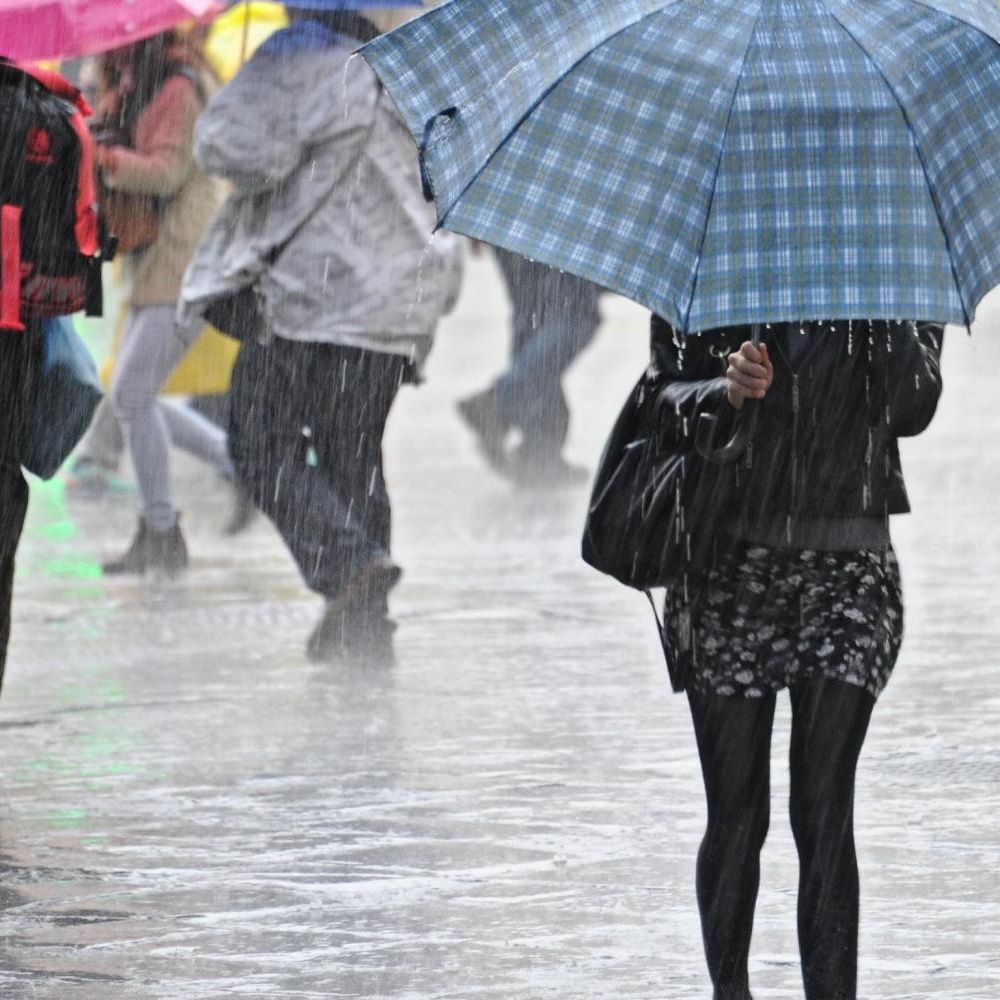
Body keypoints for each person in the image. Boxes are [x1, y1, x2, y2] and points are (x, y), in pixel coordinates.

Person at [651, 316, 943, 1000]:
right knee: (735, 811)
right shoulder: (720, 247)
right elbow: (659, 395)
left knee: (824, 808)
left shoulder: (892, 254)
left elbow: (914, 406)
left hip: (850, 568)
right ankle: (731, 994)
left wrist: (886, 314)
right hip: (728, 563)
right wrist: (721, 390)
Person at [179, 3, 461, 662]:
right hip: (397, 304)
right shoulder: (416, 70)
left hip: (315, 298)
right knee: (354, 457)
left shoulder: (300, 52)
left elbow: (229, 150)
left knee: (258, 442)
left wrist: (249, 90)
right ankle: (367, 627)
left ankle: (350, 568)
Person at [88, 31, 232, 574]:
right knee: (135, 394)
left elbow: (167, 171)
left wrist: (102, 157)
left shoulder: (176, 88)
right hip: (154, 260)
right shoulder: (136, 84)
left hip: (182, 260)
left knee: (131, 393)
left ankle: (162, 529)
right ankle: (237, 463)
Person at [457, 248, 601, 486]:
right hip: (555, 222)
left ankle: (540, 455)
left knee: (533, 313)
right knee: (574, 312)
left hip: (511, 221)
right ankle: (502, 400)